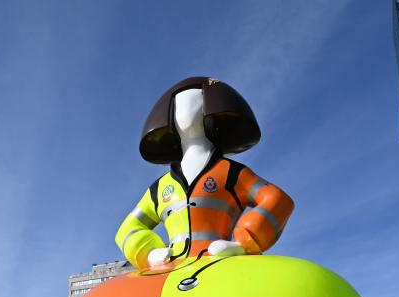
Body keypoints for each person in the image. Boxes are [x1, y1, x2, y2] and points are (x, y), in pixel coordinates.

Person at [114, 77, 294, 270]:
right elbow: (127, 228)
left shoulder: (232, 173)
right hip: (172, 271)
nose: (186, 110)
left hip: (222, 266)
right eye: (181, 105)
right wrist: (149, 253)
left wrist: (244, 242)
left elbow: (278, 200)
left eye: (195, 100)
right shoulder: (160, 188)